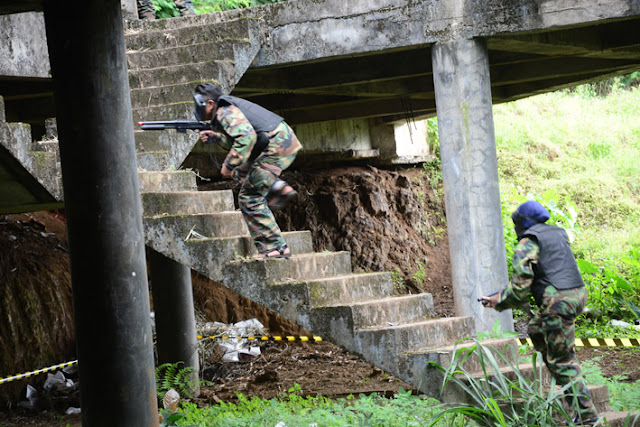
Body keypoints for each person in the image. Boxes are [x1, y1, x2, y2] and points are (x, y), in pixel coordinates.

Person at [480, 200, 599, 426]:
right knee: (537, 329)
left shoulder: (527, 242)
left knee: (563, 361)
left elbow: (520, 289)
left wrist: (499, 301)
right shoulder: (557, 233)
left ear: (522, 223)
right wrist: (502, 295)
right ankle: (578, 410)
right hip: (575, 295)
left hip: (557, 302)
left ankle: (587, 418)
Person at [192, 82, 301, 259]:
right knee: (243, 172)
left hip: (276, 146)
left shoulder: (224, 111)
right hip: (282, 141)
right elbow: (240, 139)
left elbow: (246, 138)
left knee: (250, 197)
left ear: (210, 104)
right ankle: (277, 187)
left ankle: (275, 248)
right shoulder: (228, 108)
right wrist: (216, 137)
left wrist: (228, 166)